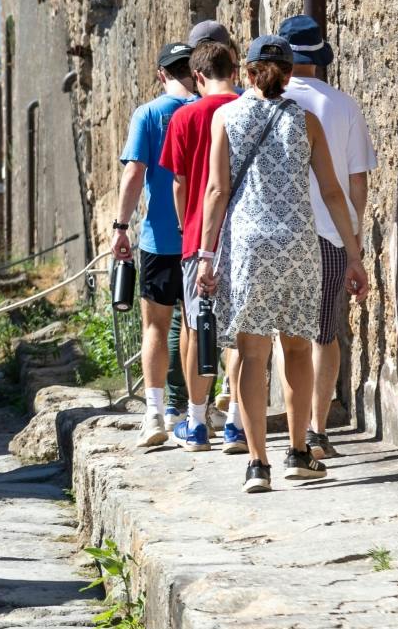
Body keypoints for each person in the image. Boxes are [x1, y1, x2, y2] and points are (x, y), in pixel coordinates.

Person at [193, 35, 368, 493]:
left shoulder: (225, 118)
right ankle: (297, 452)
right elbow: (333, 192)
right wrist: (353, 253)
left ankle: (257, 465)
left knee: (252, 354)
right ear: (290, 75)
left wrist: (206, 255)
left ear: (247, 73)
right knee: (296, 348)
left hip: (248, 247)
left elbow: (216, 192)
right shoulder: (306, 121)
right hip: (299, 246)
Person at [279, 14, 378, 462]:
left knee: (287, 335)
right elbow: (356, 182)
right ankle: (317, 429)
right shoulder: (343, 106)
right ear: (319, 57)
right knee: (325, 333)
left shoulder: (266, 102)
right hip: (331, 236)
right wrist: (354, 237)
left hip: (280, 234)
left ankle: (291, 431)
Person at [107, 40, 195, 447]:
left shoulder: (149, 114)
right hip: (202, 237)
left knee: (155, 327)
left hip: (158, 239)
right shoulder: (209, 111)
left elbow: (133, 174)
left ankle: (155, 415)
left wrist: (120, 226)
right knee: (197, 325)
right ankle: (196, 416)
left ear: (162, 74)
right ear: (194, 70)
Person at [158, 35, 240, 451]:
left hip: (197, 236)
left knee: (197, 326)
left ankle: (197, 423)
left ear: (197, 75)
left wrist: (183, 224)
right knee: (244, 331)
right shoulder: (249, 110)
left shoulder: (184, 119)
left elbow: (179, 182)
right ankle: (238, 423)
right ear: (236, 70)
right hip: (242, 236)